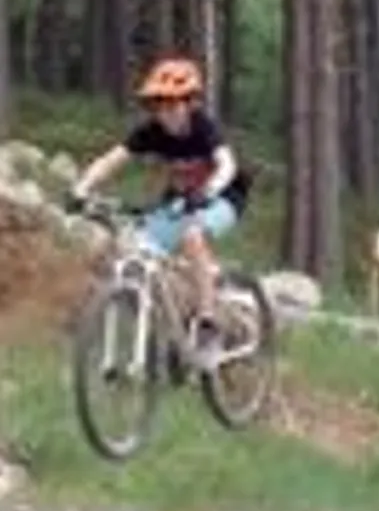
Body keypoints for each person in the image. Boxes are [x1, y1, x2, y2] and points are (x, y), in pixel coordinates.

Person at [64, 56, 252, 369]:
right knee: (134, 247)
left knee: (192, 236)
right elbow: (111, 161)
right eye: (159, 104)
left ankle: (207, 325)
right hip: (181, 199)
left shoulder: (204, 127)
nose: (167, 112)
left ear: (190, 103)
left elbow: (227, 164)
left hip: (224, 196)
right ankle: (167, 326)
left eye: (174, 104)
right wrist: (80, 189)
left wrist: (208, 191)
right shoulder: (151, 131)